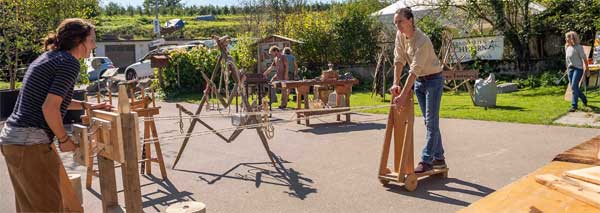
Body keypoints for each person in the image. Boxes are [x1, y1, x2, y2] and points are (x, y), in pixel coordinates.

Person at [0, 18, 110, 212]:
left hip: (16, 141)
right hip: (30, 144)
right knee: (48, 208)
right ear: (78, 40)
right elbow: (49, 108)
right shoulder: (69, 63)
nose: (94, 45)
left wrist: (86, 105)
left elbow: (53, 101)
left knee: (30, 207)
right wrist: (64, 139)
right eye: (92, 40)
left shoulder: (51, 57)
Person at [389, 7, 445, 173]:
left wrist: (404, 94)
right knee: (429, 122)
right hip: (420, 82)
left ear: (410, 20)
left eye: (400, 21)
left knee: (431, 122)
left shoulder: (423, 41)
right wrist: (395, 83)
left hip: (434, 80)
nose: (397, 25)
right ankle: (439, 158)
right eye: (395, 23)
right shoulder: (400, 35)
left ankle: (427, 160)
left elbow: (414, 70)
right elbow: (399, 59)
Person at [565, 31, 589, 112]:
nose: (566, 39)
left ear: (572, 38)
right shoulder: (567, 47)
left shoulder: (579, 47)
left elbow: (585, 59)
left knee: (574, 87)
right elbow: (567, 60)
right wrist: (567, 68)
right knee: (574, 87)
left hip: (578, 69)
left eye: (567, 37)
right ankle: (584, 98)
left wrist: (587, 69)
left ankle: (574, 106)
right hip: (570, 69)